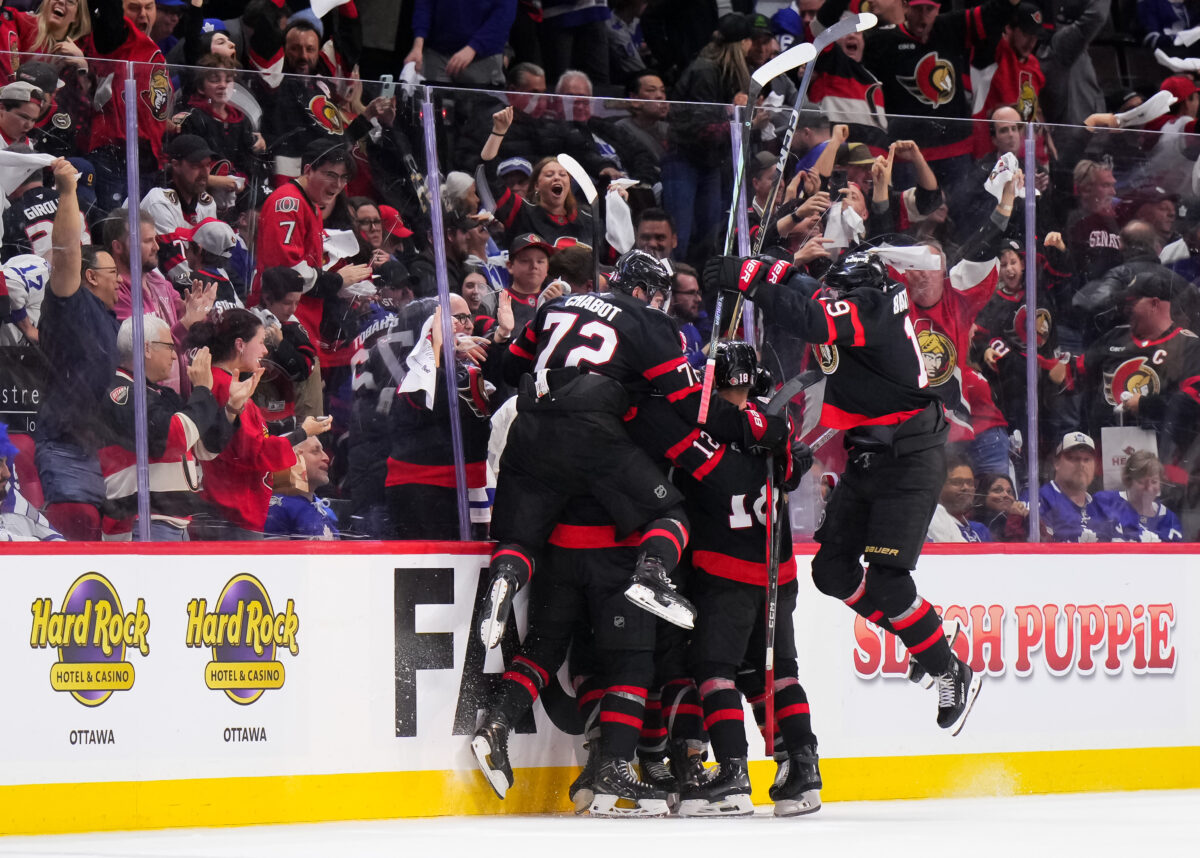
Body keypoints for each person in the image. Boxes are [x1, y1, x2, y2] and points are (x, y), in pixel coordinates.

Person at [472, 251, 789, 812]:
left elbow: (505, 366)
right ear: (649, 292)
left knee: (549, 640)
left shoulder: (558, 305)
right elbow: (700, 431)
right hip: (612, 546)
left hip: (541, 486)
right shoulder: (646, 361)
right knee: (636, 651)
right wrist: (762, 434)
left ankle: (497, 712)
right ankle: (620, 760)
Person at [705, 250, 982, 735]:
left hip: (909, 457)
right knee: (832, 572)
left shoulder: (875, 306)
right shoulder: (853, 297)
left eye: (839, 293)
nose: (832, 297)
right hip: (870, 454)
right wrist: (757, 265)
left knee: (889, 582)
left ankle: (946, 667)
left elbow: (811, 316)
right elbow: (804, 288)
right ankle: (925, 638)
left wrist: (749, 285)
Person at [675, 341, 822, 818]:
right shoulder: (776, 426)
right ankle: (802, 770)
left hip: (724, 573)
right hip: (778, 574)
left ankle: (733, 775)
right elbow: (794, 466)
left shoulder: (704, 426)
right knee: (780, 673)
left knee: (714, 673)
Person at [97, 316, 247, 540]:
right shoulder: (121, 393)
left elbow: (204, 448)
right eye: (169, 347)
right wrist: (203, 389)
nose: (173, 355)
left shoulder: (160, 394)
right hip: (144, 522)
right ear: (146, 348)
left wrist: (232, 409)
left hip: (174, 522)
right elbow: (170, 439)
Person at [34, 159, 120, 540]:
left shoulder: (107, 317)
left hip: (96, 448)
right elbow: (67, 251)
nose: (121, 282)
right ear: (91, 277)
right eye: (114, 273)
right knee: (74, 538)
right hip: (65, 449)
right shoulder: (68, 302)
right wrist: (68, 192)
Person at [186, 308, 328, 539]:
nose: (264, 350)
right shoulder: (224, 386)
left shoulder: (221, 382)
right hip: (231, 515)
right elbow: (254, 452)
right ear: (240, 344)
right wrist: (303, 433)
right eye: (261, 342)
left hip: (228, 510)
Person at [384, 292, 499, 540]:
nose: (466, 325)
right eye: (456, 318)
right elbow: (428, 403)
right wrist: (443, 351)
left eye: (469, 317)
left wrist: (500, 338)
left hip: (461, 483)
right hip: (424, 489)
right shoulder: (413, 371)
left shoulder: (462, 366)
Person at [1014, 431, 1114, 542]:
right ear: (1056, 463)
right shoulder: (1037, 499)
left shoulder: (1101, 508)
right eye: (1073, 458)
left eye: (1087, 459)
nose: (1081, 464)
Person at [404, 0, 515, 86]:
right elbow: (424, 5)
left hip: (482, 58)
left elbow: (504, 15)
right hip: (437, 53)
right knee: (434, 109)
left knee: (479, 111)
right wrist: (418, 45)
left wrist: (474, 47)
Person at [1095, 450, 1185, 542]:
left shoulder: (1169, 520)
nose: (1149, 488)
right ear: (1128, 481)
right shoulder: (1106, 502)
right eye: (1141, 482)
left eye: (1154, 482)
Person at [265, 435, 340, 540]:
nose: (326, 458)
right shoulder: (276, 509)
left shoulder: (326, 510)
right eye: (315, 451)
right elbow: (273, 555)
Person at [0, 421, 63, 542]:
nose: (7, 473)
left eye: (5, 463)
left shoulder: (12, 500)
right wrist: (32, 542)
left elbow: (59, 544)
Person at [927, 454, 992, 542]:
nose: (966, 488)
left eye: (970, 483)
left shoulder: (980, 529)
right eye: (957, 482)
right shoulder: (932, 524)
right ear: (939, 486)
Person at [972, 472, 1027, 541]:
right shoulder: (974, 525)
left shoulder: (1020, 517)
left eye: (1009, 491)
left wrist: (1028, 518)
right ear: (982, 495)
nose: (1006, 495)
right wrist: (1014, 519)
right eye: (997, 490)